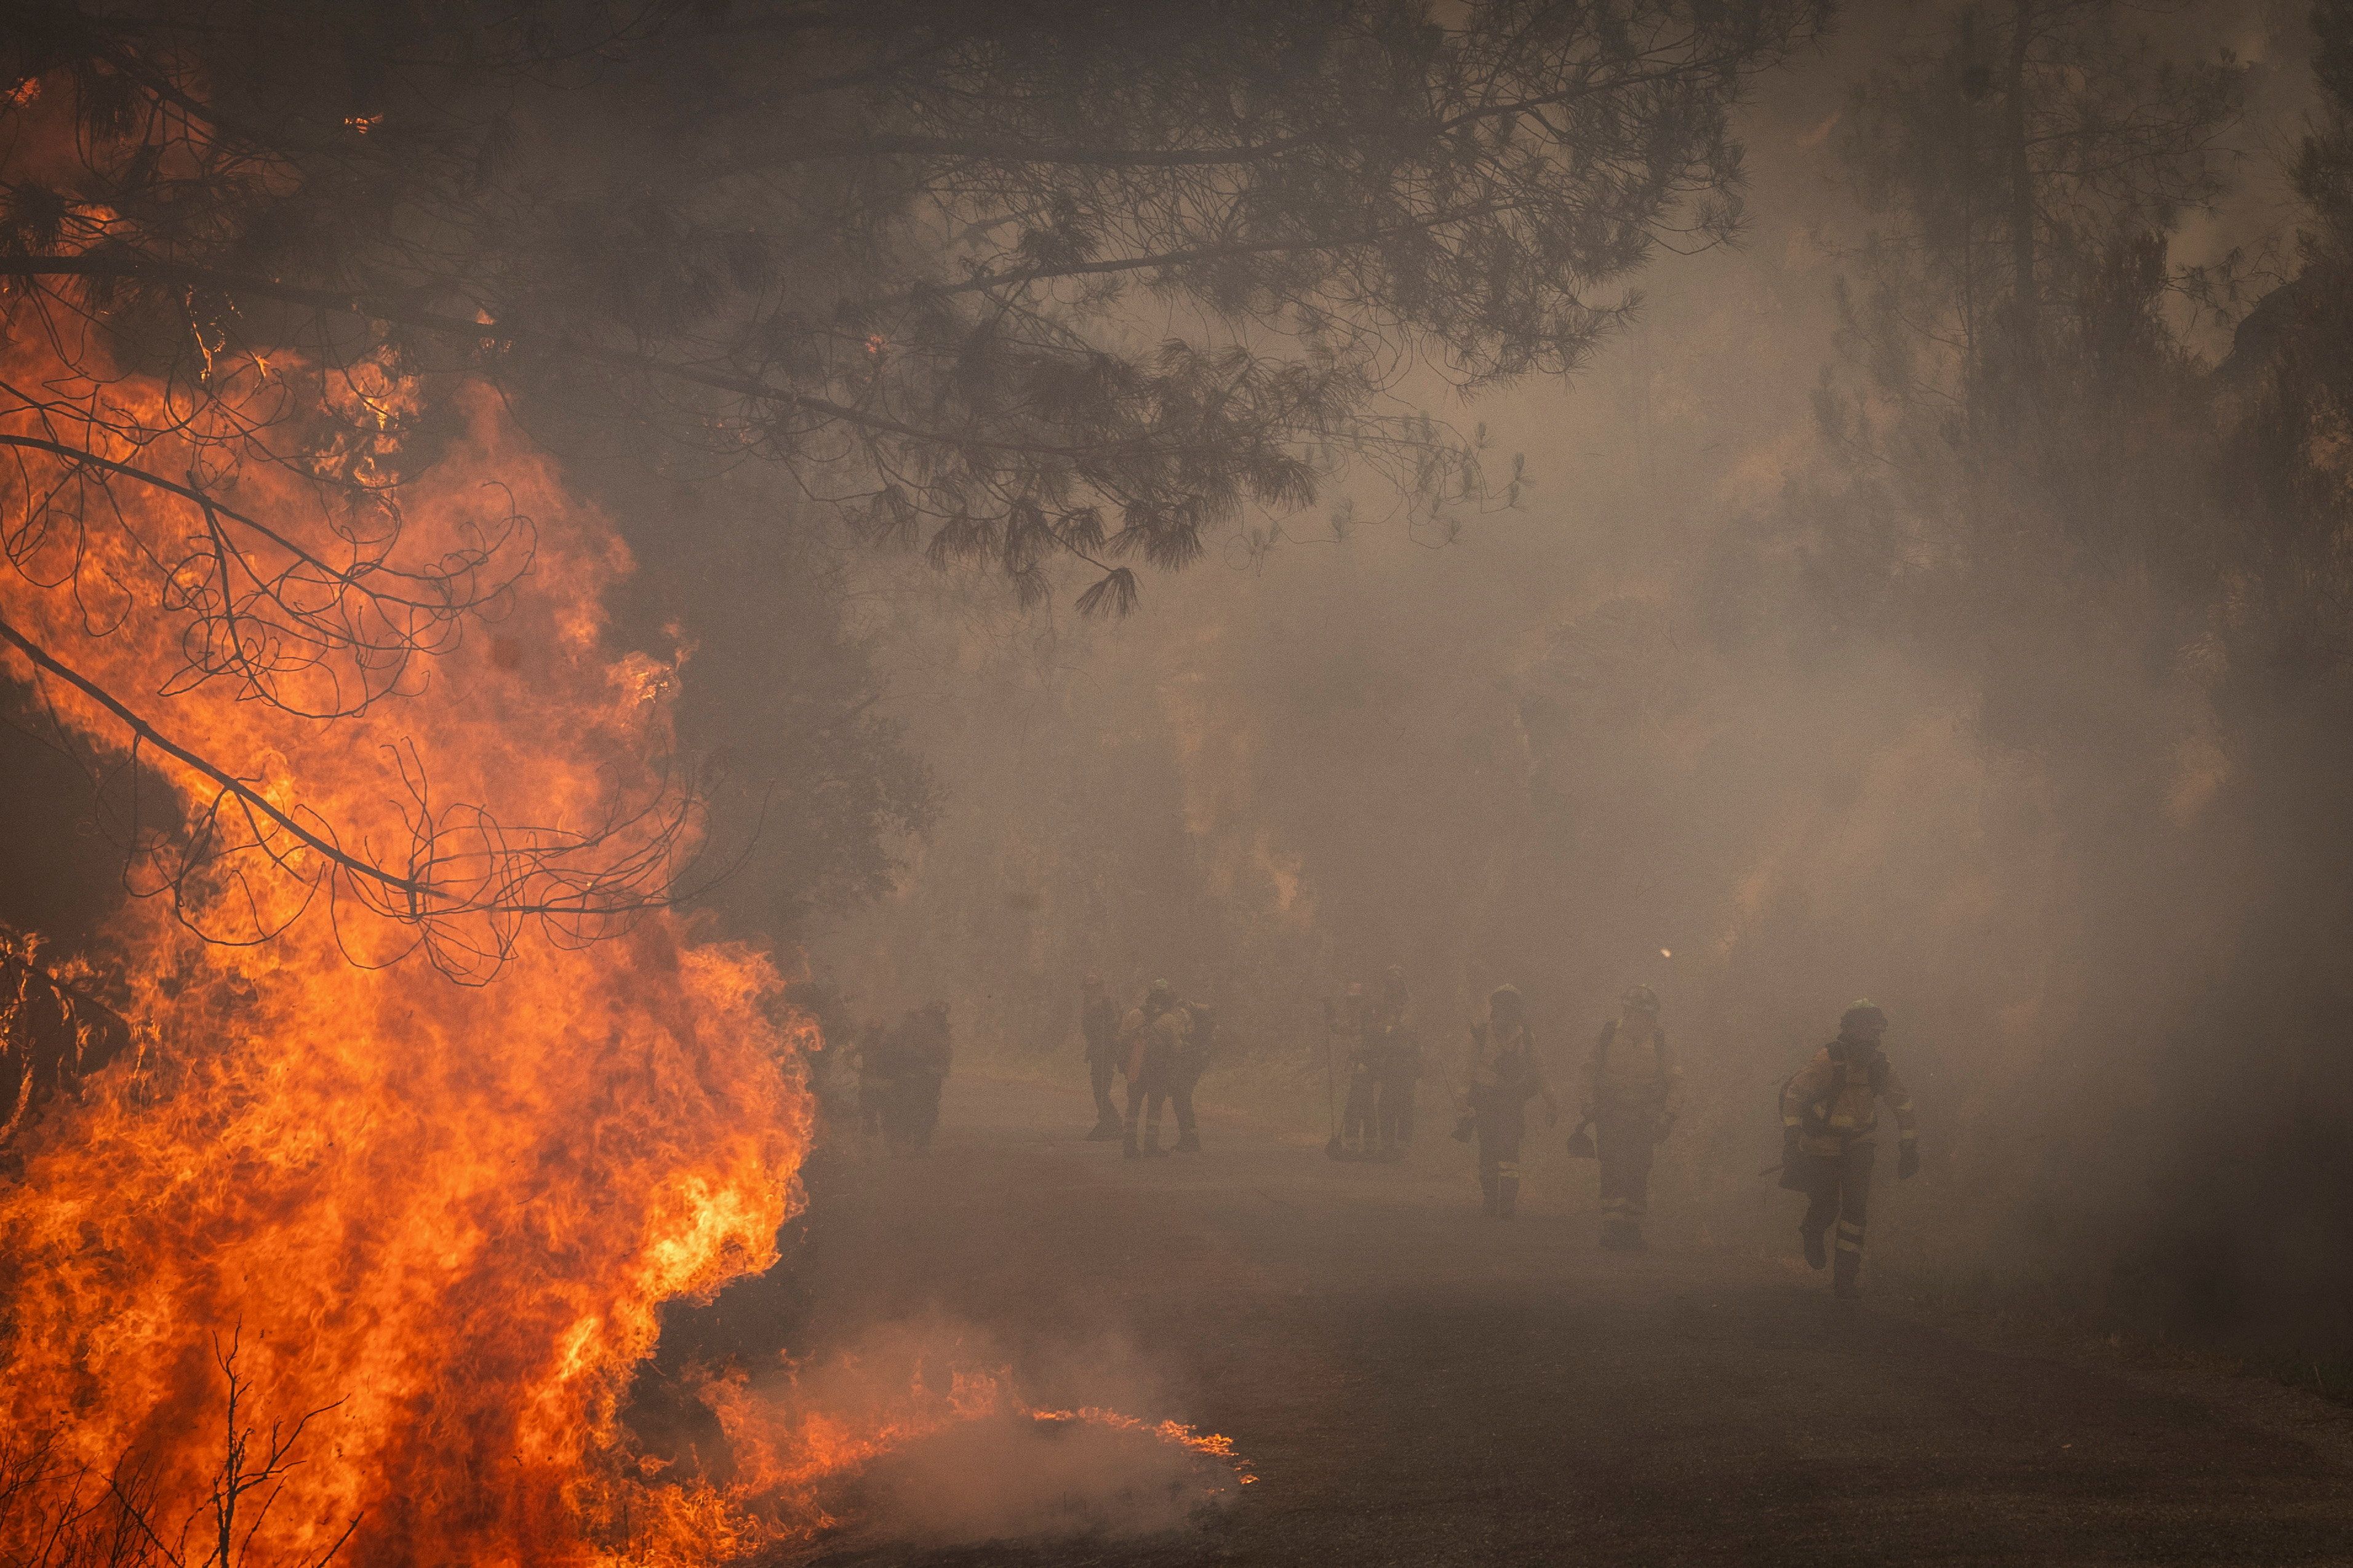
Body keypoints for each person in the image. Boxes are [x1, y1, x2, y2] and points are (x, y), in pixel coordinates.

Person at [1780, 1000, 1920, 1297]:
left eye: (1874, 1029)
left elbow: (1902, 1104)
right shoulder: (1828, 1061)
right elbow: (1794, 1096)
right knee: (1827, 1205)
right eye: (1862, 1027)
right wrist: (1792, 1138)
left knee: (1856, 1208)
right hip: (1821, 1146)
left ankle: (1845, 1279)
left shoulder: (1880, 1067)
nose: (1868, 1035)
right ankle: (1813, 1230)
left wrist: (1909, 1145)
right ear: (1849, 1029)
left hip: (1860, 1145)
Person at [1580, 984, 1683, 1251]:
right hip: (1610, 1115)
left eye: (1645, 1015)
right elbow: (1589, 1070)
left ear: (1653, 1017)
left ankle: (1632, 1227)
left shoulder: (1661, 1043)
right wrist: (1587, 1102)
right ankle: (1613, 1226)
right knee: (1612, 1167)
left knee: (1638, 1170)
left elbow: (1677, 1083)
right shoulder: (1608, 1036)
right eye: (1634, 1012)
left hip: (1644, 1119)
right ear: (1626, 1011)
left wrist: (1668, 1116)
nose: (1639, 1019)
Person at [1456, 984, 1557, 1217]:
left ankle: (1508, 1202)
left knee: (1510, 1149)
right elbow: (1466, 1070)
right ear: (1494, 1010)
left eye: (1511, 1009)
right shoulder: (1481, 1034)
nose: (1507, 1015)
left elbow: (1539, 1068)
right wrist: (1462, 1103)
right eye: (1502, 1008)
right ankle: (1491, 1199)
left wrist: (1552, 1102)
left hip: (1512, 1101)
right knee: (1488, 1148)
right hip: (1485, 1099)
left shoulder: (1526, 1037)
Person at [1122, 979, 1186, 1158]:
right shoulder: (1169, 1020)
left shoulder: (1135, 1014)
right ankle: (1151, 1146)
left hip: (1136, 1065)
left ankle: (1129, 1145)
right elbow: (1176, 1048)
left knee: (1133, 1105)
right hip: (1158, 1069)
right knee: (1155, 1107)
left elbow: (1123, 1040)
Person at [1371, 966, 1419, 1161]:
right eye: (1391, 983)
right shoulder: (1382, 1006)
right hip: (1389, 1060)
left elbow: (1413, 1030)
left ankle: (1403, 1143)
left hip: (1406, 1060)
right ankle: (1388, 1142)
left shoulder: (1411, 1006)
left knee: (1405, 1102)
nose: (1394, 987)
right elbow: (1377, 1029)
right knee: (1387, 1103)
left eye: (1397, 983)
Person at [1333, 981, 1380, 1158]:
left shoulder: (1367, 1016)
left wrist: (1365, 1059)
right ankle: (1353, 1142)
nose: (1353, 1003)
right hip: (1354, 1067)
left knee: (1365, 1105)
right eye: (1351, 1000)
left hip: (1366, 1067)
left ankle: (1370, 1143)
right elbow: (1341, 1030)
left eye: (1356, 1000)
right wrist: (1330, 1013)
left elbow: (1371, 1038)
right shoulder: (1352, 1017)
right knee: (1353, 1105)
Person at [1166, 999, 1215, 1152]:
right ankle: (1189, 1138)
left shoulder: (1181, 1014)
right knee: (1182, 1097)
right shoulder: (1188, 1012)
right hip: (1195, 1059)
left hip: (1190, 1060)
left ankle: (1190, 1140)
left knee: (1181, 1097)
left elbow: (1181, 1037)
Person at [1081, 972, 1122, 1140]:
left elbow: (1113, 1025)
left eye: (1093, 987)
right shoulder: (1090, 1003)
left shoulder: (1105, 1002)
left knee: (1101, 1090)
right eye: (1087, 988)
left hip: (1105, 1051)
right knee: (1099, 1090)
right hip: (1097, 1051)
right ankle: (1109, 1123)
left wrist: (1107, 1044)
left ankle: (1112, 1124)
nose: (1090, 990)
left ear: (1100, 987)